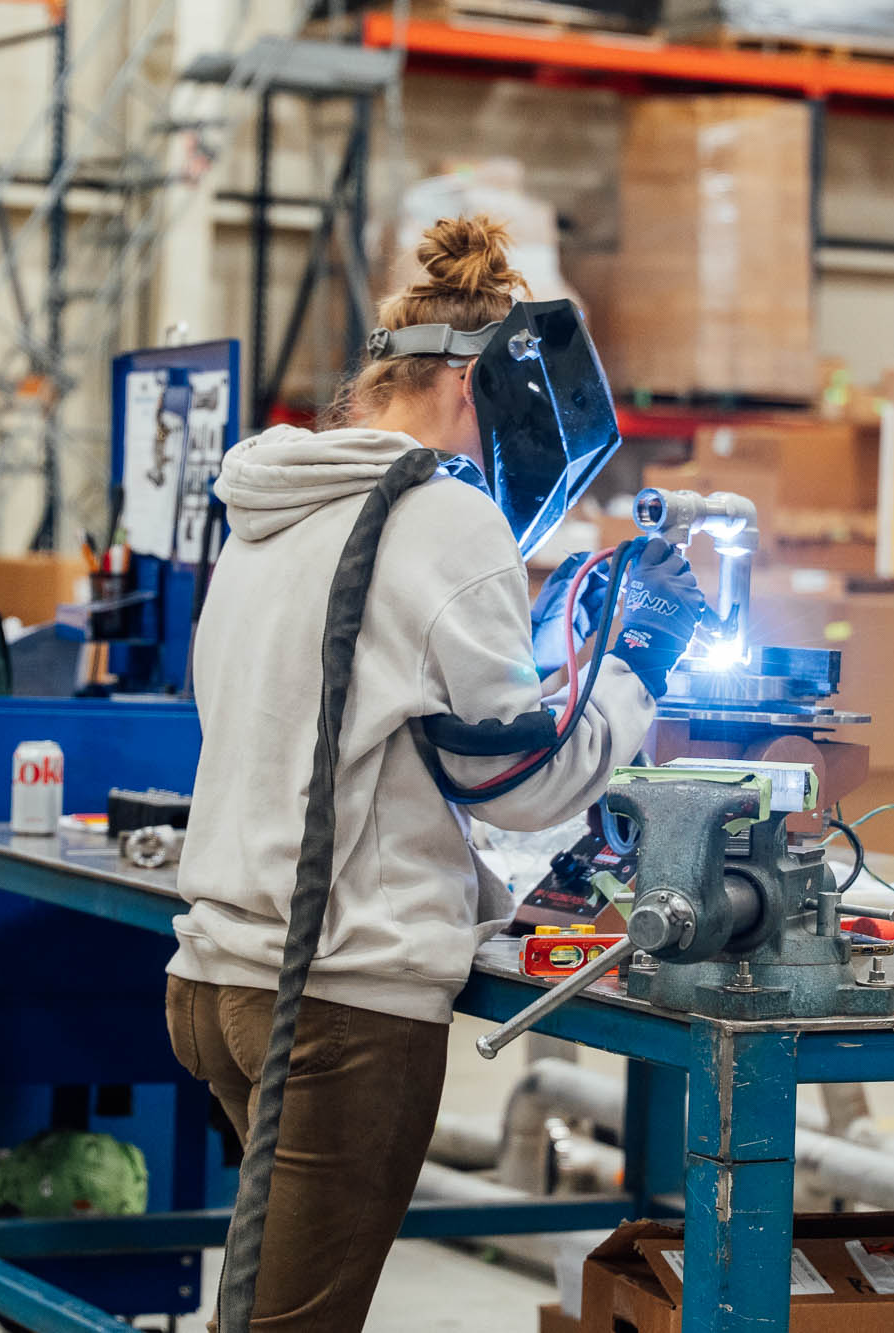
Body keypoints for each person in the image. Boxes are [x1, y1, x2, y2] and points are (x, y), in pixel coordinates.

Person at [164, 216, 705, 1330]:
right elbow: (518, 783)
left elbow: (370, 723)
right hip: (336, 1006)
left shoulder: (273, 507)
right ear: (475, 389)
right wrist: (638, 662)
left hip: (217, 982)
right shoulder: (440, 512)